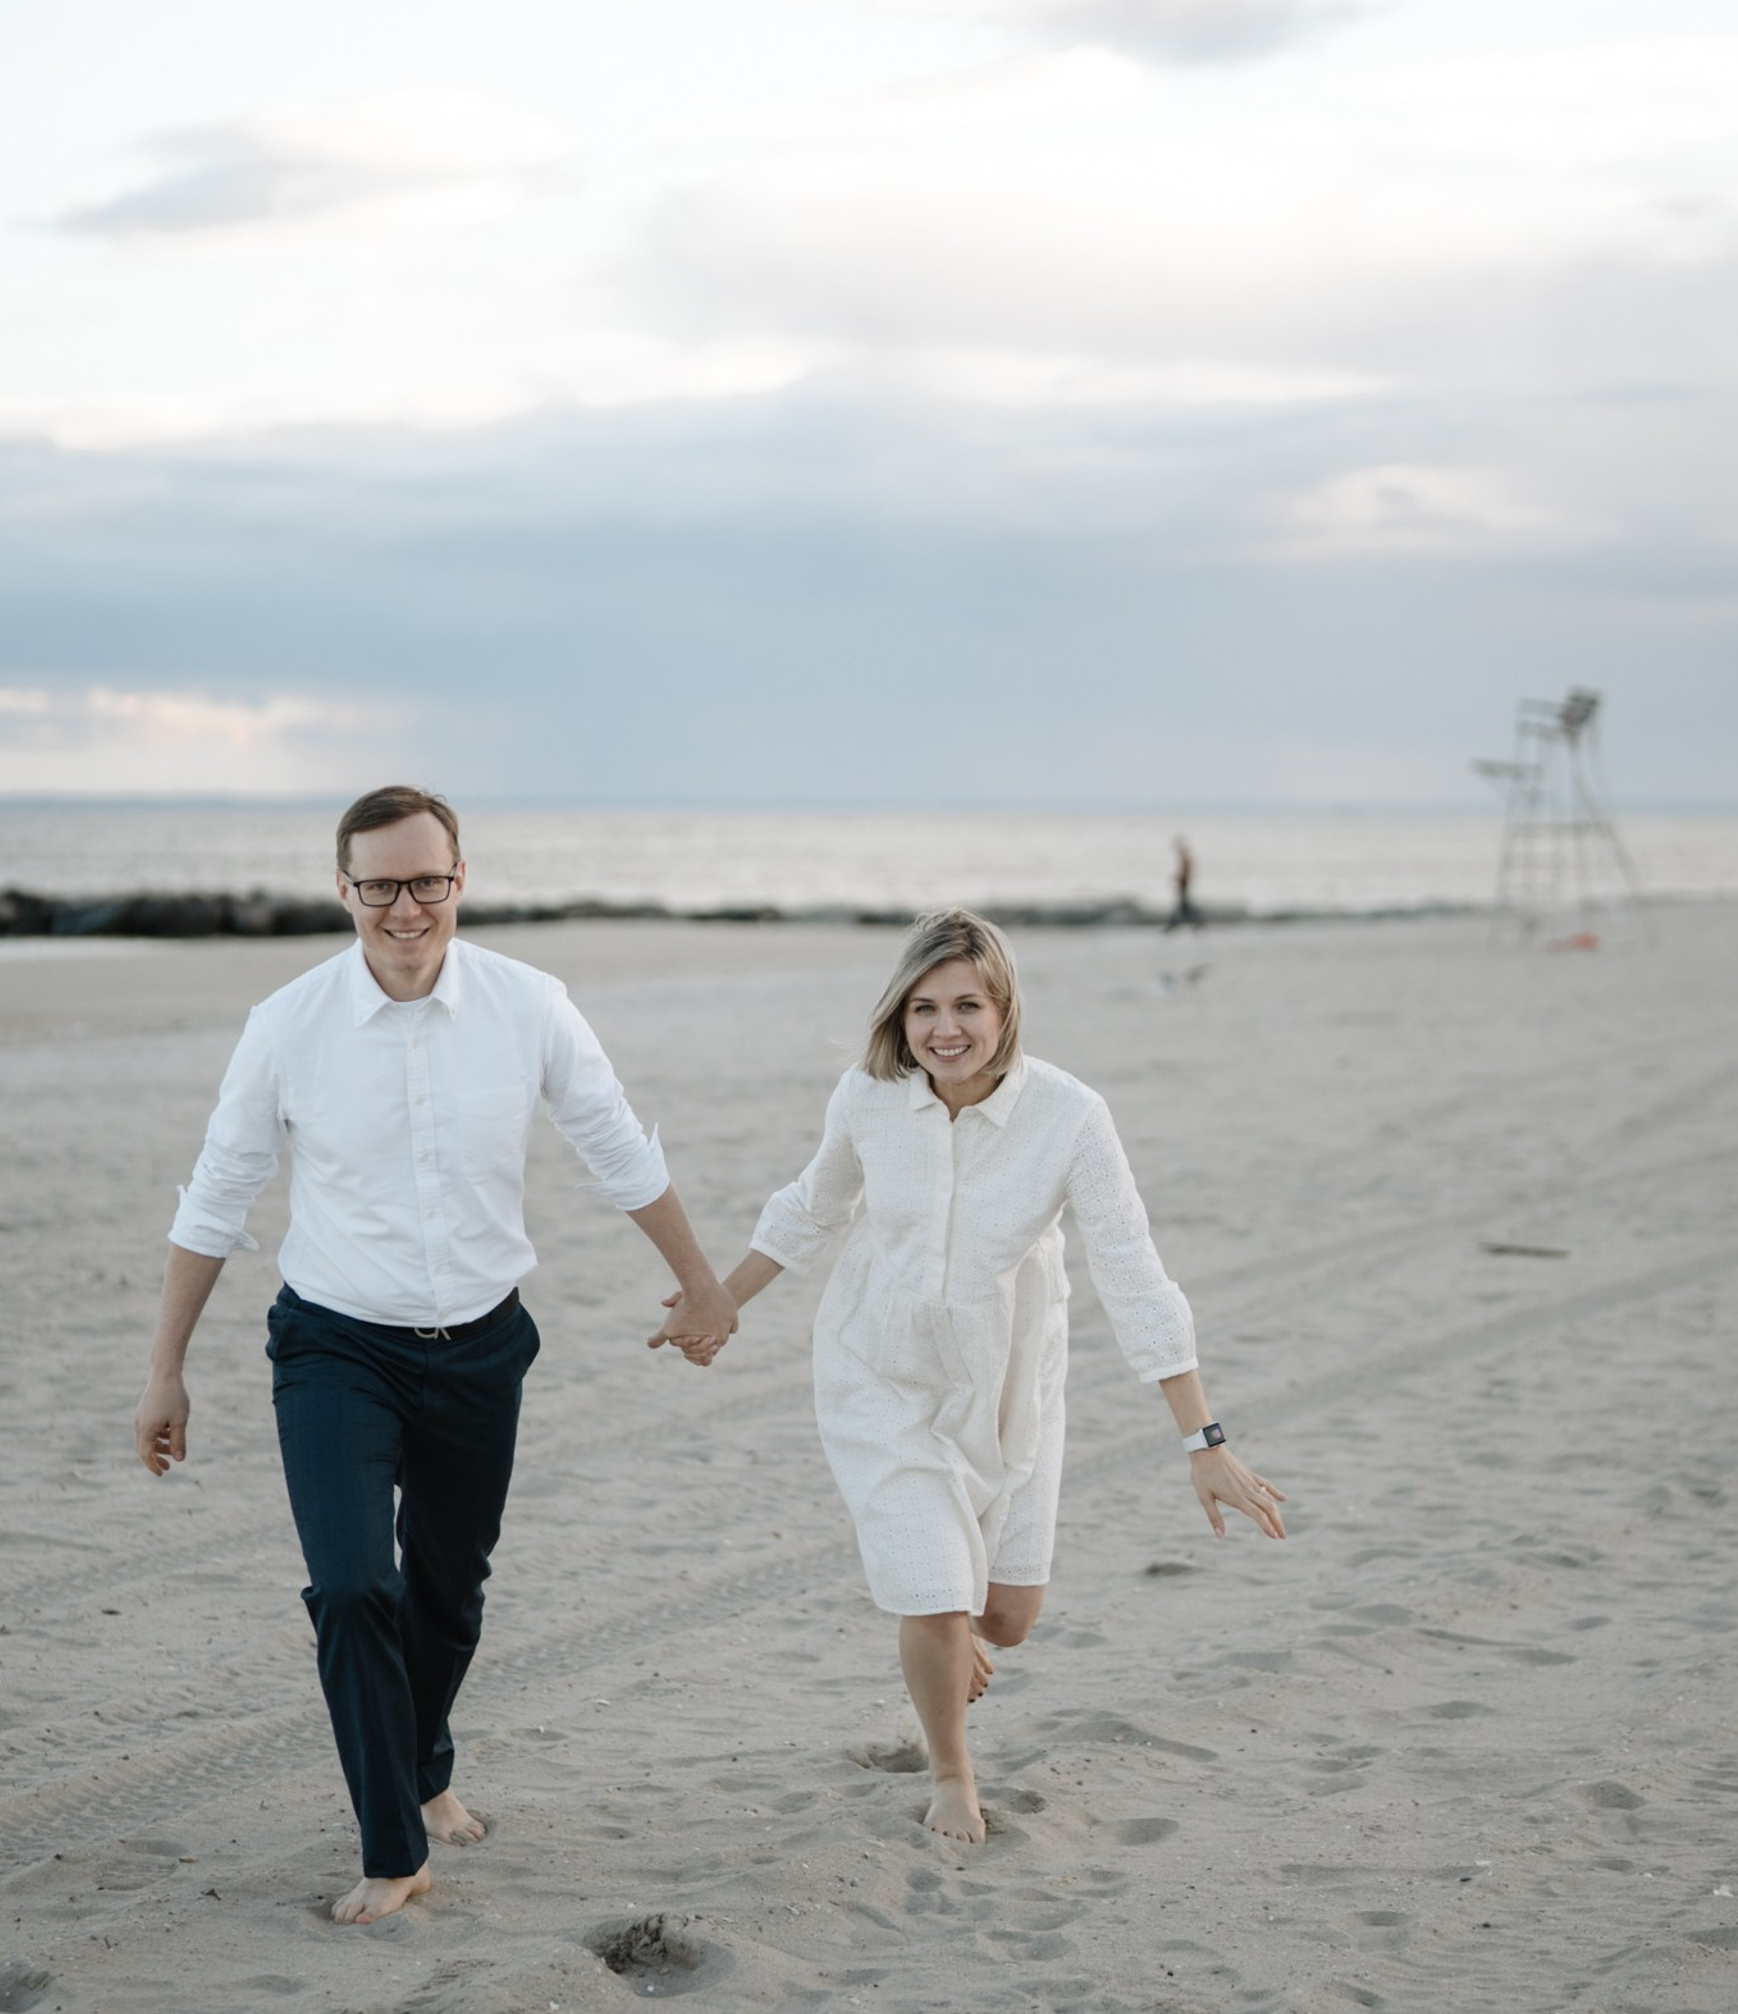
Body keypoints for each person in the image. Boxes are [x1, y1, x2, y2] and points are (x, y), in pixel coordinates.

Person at [132, 784, 738, 1925]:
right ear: (344, 890)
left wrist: (701, 1280)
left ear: (460, 879)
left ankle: (426, 1765)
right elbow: (216, 1196)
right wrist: (167, 1366)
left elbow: (613, 1143)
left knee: (449, 1595)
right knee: (356, 1587)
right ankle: (392, 1842)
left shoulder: (530, 1004)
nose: (404, 908)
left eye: (425, 881)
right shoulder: (287, 1022)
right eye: (379, 886)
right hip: (332, 1347)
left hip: (479, 1346)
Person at [690, 909, 1283, 1848]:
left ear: (1006, 1009)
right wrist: (721, 1300)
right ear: (899, 1014)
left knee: (1003, 1618)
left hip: (1009, 1392)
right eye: (923, 1008)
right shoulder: (868, 1097)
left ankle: (958, 1620)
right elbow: (813, 1205)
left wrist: (1201, 1439)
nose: (944, 1030)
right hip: (879, 1373)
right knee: (933, 1593)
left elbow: (1132, 1270)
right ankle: (951, 1773)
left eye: (967, 1005)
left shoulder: (1070, 1116)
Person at [1164, 835, 1203, 933]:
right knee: (1184, 905)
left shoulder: (1185, 856)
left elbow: (1185, 871)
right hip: (1184, 882)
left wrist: (1179, 879)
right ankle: (1177, 923)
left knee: (1184, 905)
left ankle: (1175, 924)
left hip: (1184, 883)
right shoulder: (1185, 856)